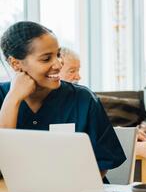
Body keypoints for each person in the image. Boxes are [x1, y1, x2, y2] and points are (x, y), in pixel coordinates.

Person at [0, 21, 126, 180]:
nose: (59, 64)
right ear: (16, 64)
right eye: (46, 59)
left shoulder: (83, 99)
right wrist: (12, 100)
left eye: (58, 54)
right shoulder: (3, 96)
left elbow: (101, 165)